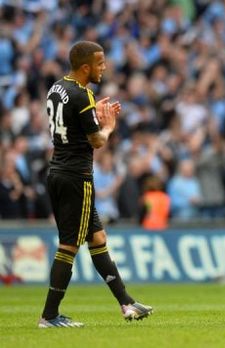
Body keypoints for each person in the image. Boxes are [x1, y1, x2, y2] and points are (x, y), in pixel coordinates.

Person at [38, 41, 153, 328]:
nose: (104, 68)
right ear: (86, 66)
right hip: (76, 176)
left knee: (98, 239)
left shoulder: (58, 88)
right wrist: (109, 124)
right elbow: (97, 141)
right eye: (100, 63)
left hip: (59, 171)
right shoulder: (82, 95)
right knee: (68, 247)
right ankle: (49, 316)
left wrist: (92, 112)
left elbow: (72, 117)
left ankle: (126, 303)